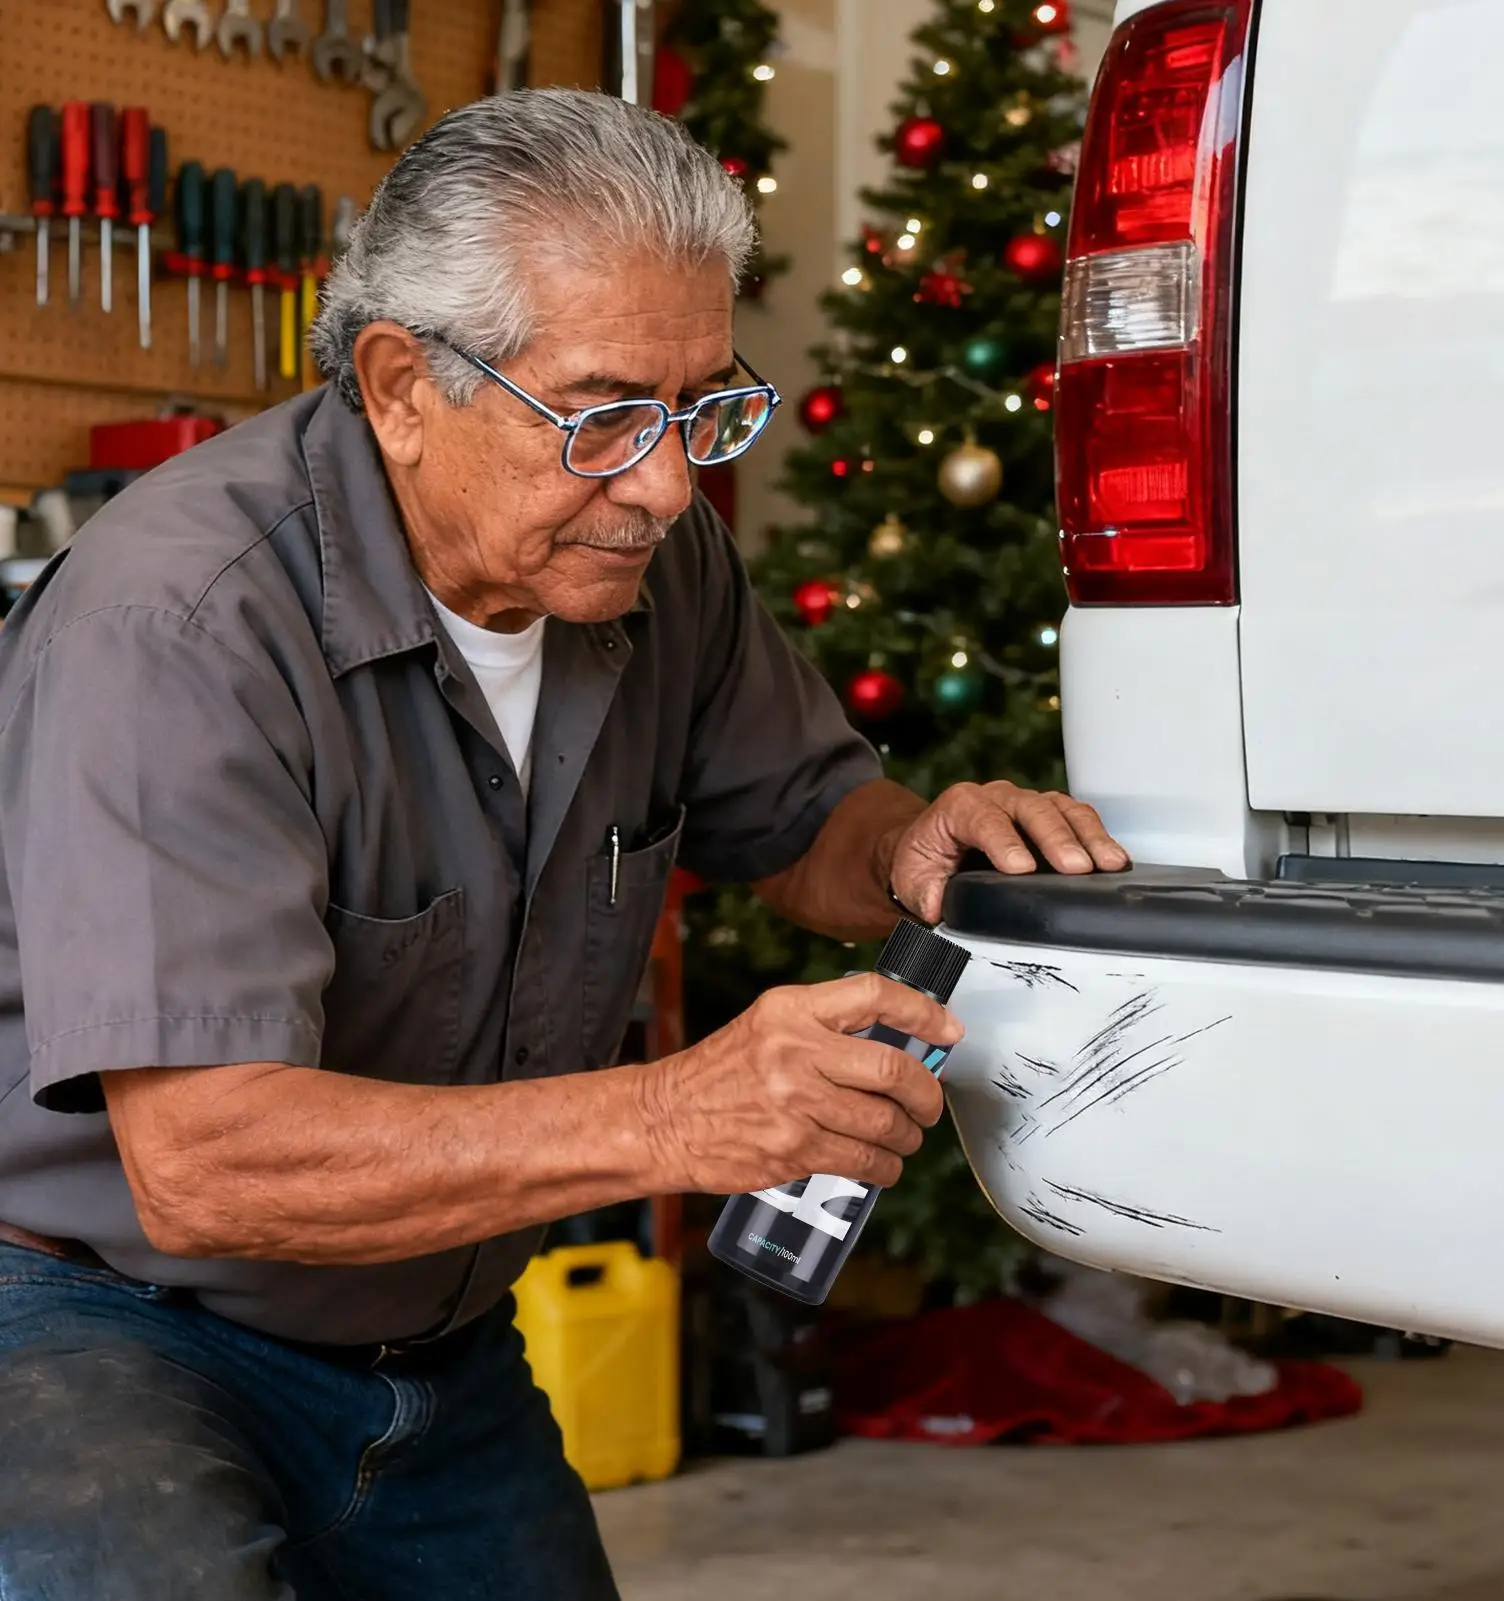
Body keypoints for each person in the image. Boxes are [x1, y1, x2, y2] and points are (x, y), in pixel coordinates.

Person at [0, 89, 1126, 1600]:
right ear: (403, 386)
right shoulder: (179, 628)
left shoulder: (644, 561)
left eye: (701, 408)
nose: (665, 485)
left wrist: (913, 844)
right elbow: (208, 1165)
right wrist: (676, 1117)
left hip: (431, 1329)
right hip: (85, 1317)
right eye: (602, 416)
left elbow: (805, 822)